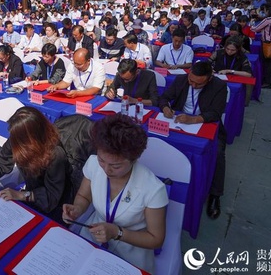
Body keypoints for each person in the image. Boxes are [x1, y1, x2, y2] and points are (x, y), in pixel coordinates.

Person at [62, 115, 168, 274]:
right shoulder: (93, 164)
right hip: (93, 236)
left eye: (115, 166)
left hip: (131, 251)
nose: (106, 169)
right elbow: (84, 196)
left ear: (134, 159)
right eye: (101, 160)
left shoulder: (153, 189)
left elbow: (156, 239)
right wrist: (77, 209)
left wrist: (117, 233)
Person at [0, 107, 74, 223]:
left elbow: (51, 197)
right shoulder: (18, 139)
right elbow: (1, 159)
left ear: (32, 138)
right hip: (30, 196)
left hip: (53, 208)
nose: (13, 141)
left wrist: (20, 195)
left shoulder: (55, 154)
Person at [158, 61, 227, 219]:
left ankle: (215, 195)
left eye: (198, 83)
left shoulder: (219, 86)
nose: (193, 85)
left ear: (208, 79)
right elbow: (164, 98)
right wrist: (165, 108)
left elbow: (216, 113)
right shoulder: (182, 80)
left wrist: (194, 119)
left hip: (204, 123)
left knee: (217, 152)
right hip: (178, 121)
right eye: (191, 81)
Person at [251, 6, 271, 88]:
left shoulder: (267, 20)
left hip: (266, 43)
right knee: (269, 63)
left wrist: (251, 25)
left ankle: (266, 82)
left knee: (265, 63)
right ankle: (267, 81)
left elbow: (256, 29)